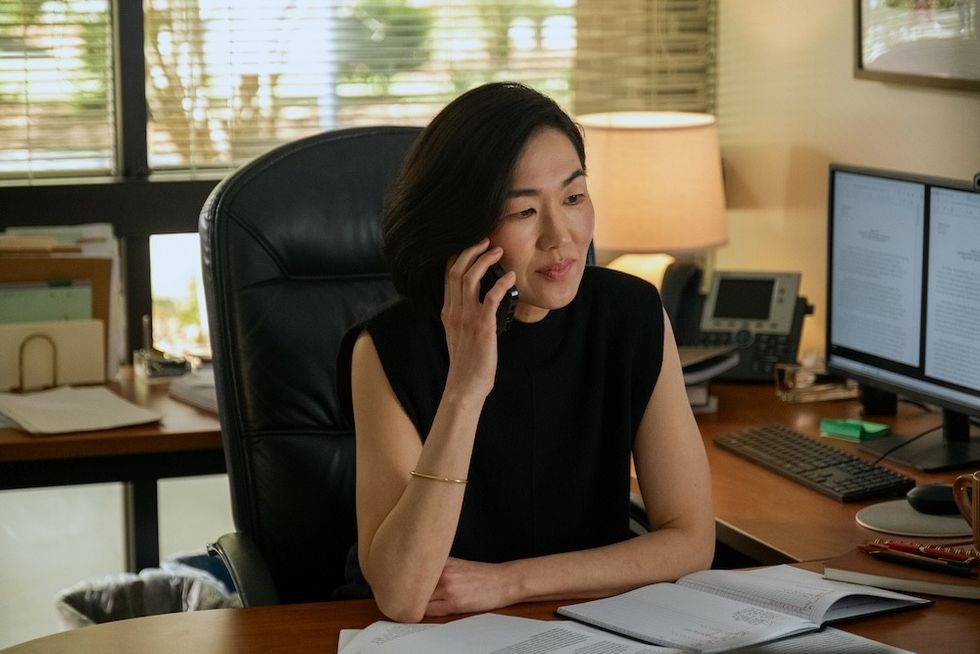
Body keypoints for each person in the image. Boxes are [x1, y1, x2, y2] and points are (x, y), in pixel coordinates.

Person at [339, 82, 714, 623]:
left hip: (579, 625)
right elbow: (402, 595)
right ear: (466, 229)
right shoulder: (389, 348)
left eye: (574, 197)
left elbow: (691, 540)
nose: (560, 237)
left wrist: (510, 582)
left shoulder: (630, 315)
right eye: (522, 213)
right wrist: (466, 388)